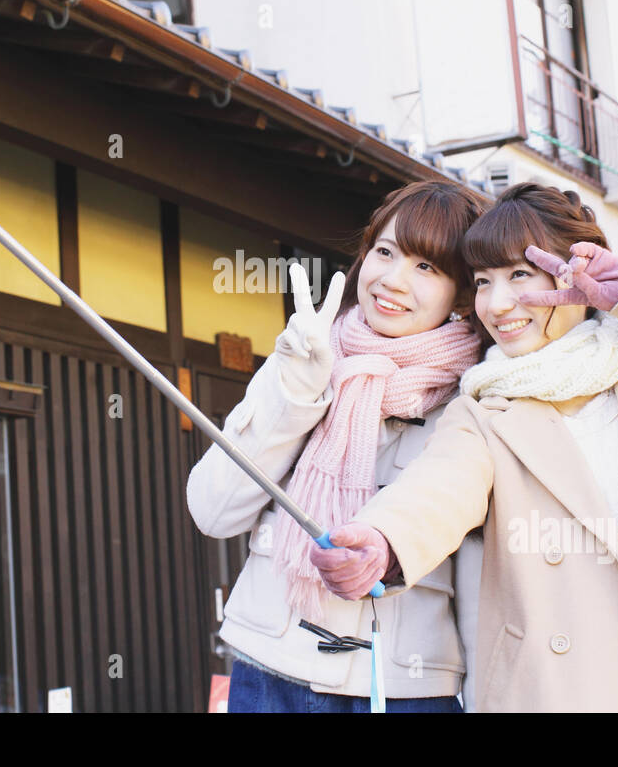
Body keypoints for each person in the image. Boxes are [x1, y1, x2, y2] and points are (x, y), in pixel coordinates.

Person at [310, 182, 618, 712]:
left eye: (520, 275)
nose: (497, 303)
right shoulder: (486, 408)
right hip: (576, 687)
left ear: (579, 276)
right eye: (483, 281)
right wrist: (384, 539)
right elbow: (438, 489)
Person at [186, 180, 488, 711]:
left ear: (463, 294)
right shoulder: (306, 356)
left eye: (427, 267)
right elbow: (213, 511)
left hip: (404, 689)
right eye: (385, 252)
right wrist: (296, 392)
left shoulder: (475, 397)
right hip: (269, 673)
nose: (392, 281)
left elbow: (485, 582)